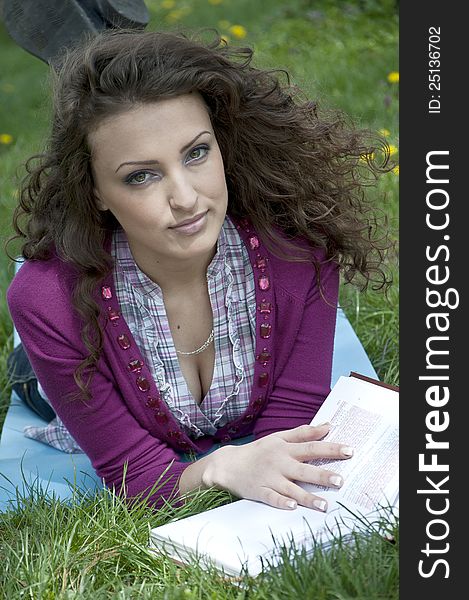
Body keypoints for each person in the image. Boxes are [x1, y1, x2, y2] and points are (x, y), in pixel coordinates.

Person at [6, 28, 391, 512]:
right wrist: (217, 467)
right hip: (64, 350)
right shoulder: (49, 305)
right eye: (141, 176)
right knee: (31, 363)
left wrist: (255, 462)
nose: (186, 199)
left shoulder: (300, 248)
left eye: (196, 153)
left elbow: (287, 433)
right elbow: (135, 475)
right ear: (97, 192)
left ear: (222, 144)